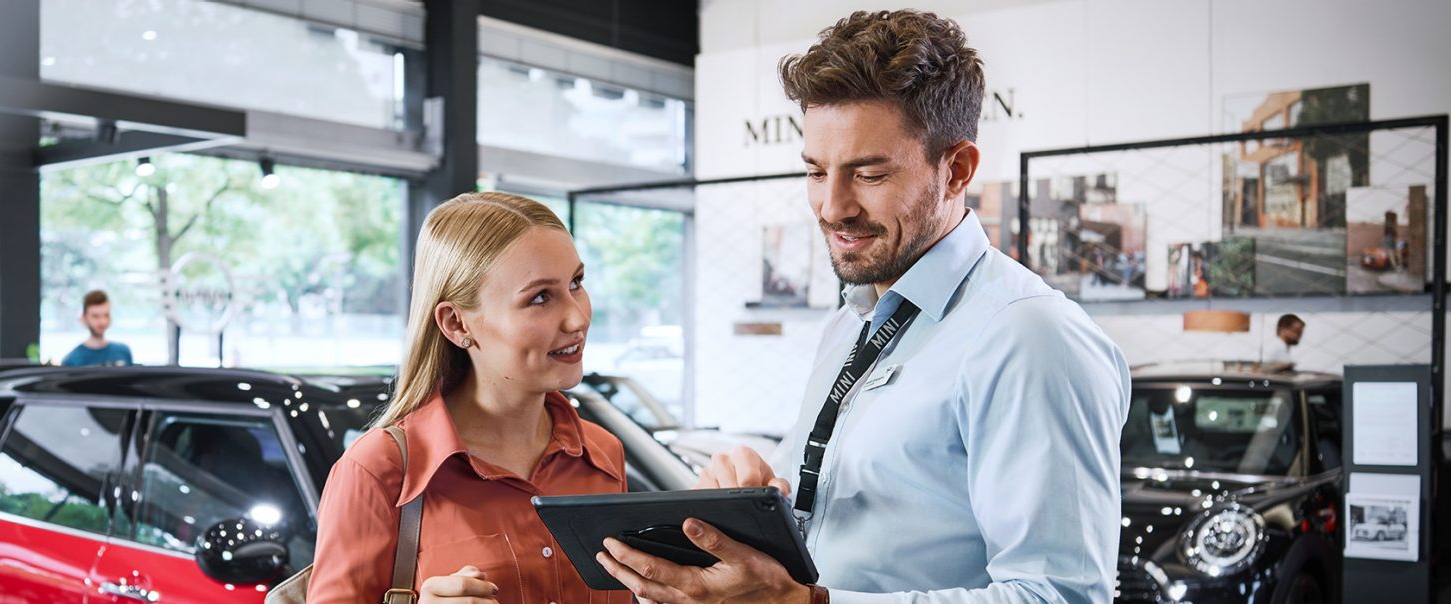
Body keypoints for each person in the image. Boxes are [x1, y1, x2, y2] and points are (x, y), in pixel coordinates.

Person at [598, 10, 1128, 603]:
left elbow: (1062, 594)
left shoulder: (1028, 336)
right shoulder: (854, 318)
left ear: (957, 170)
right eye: (816, 172)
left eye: (868, 174)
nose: (831, 206)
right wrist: (755, 503)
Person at [306, 192, 628, 604]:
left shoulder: (602, 454)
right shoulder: (377, 472)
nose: (578, 317)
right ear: (456, 323)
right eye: (540, 297)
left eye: (576, 283)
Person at [61, 289, 133, 366]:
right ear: (84, 318)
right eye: (95, 316)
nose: (102, 321)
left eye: (106, 315)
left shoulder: (123, 352)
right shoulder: (71, 361)